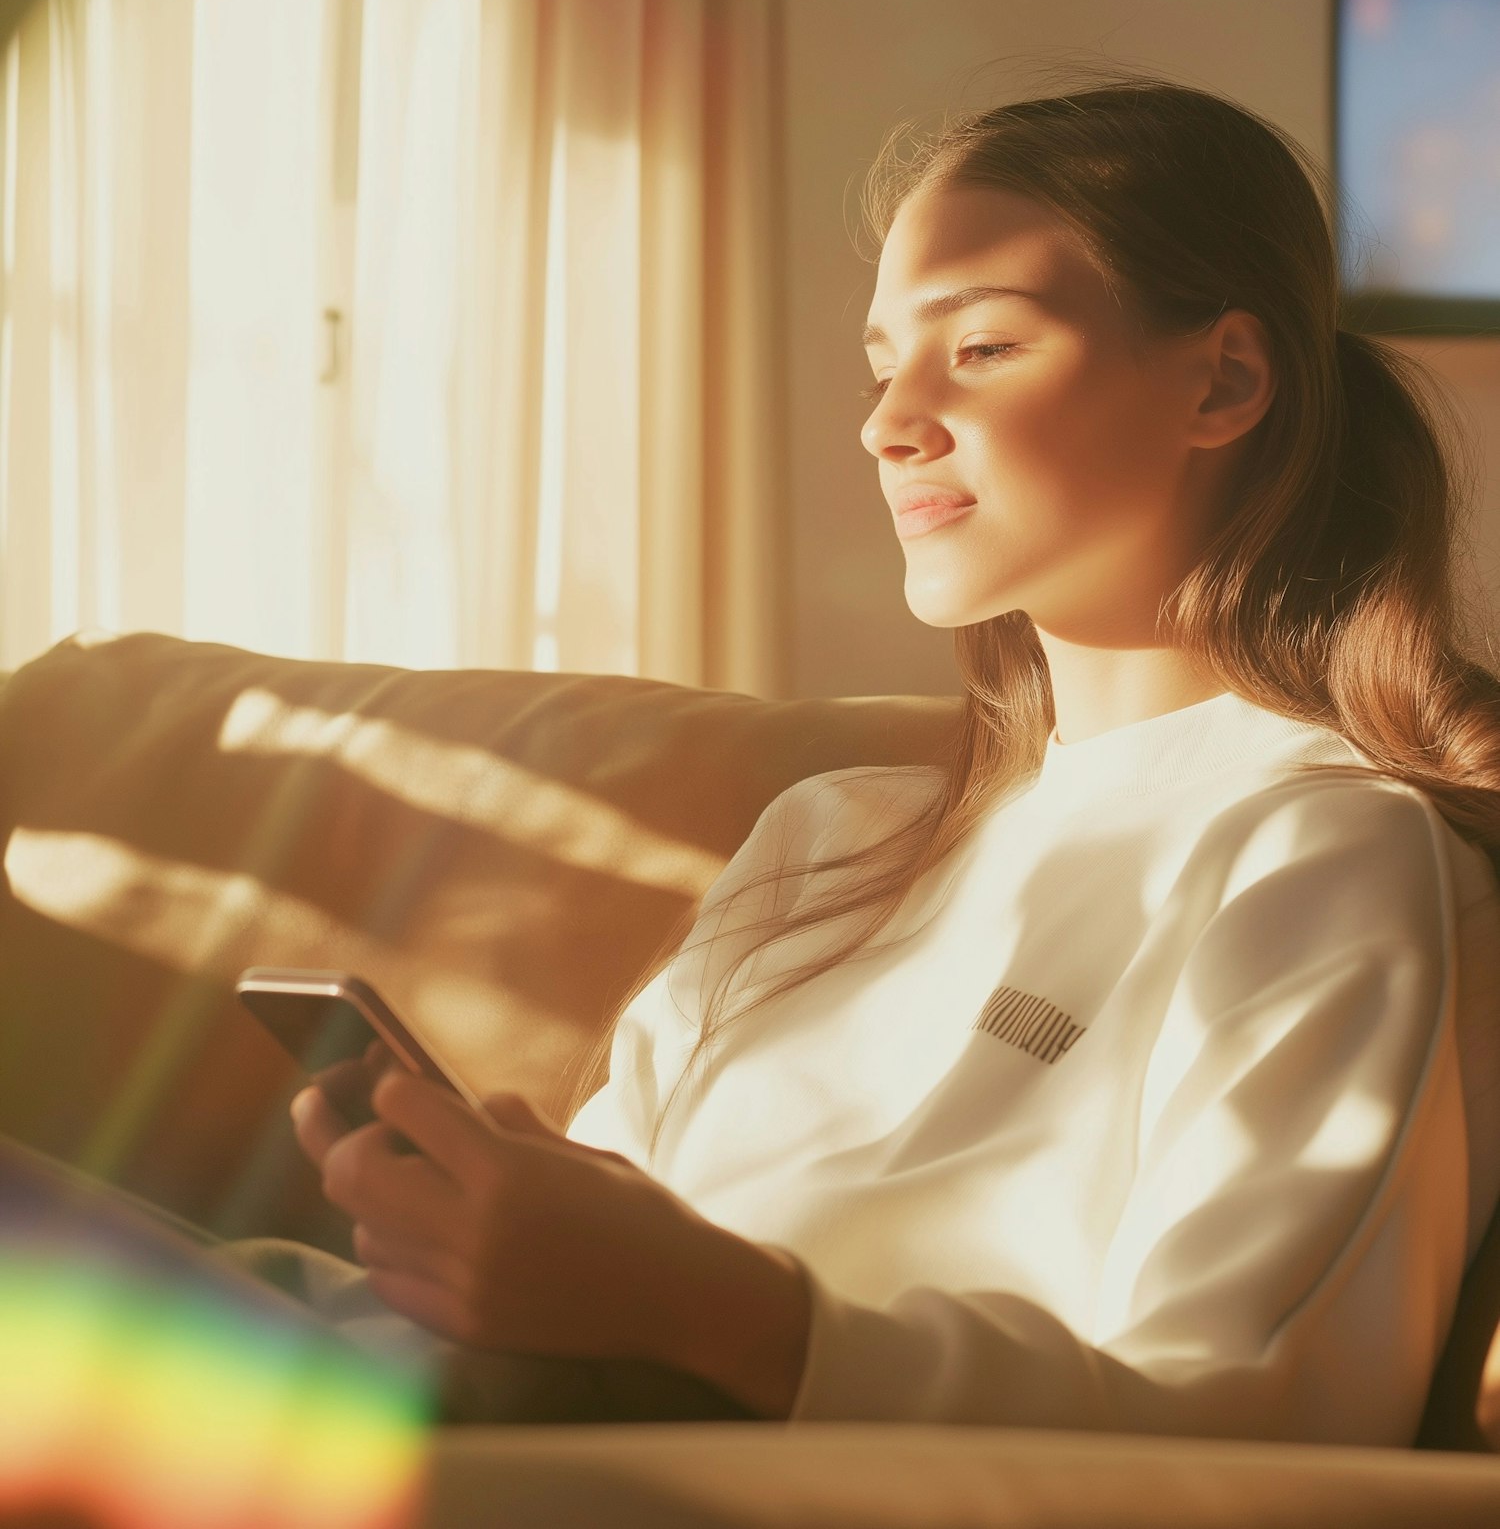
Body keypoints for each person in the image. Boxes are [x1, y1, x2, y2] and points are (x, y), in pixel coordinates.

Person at [272, 70, 1500, 1442]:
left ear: (1223, 380)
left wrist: (717, 1313)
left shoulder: (1315, 850)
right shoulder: (825, 841)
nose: (887, 421)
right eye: (881, 364)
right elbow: (588, 1258)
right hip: (470, 1408)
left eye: (978, 348)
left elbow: (1248, 1418)